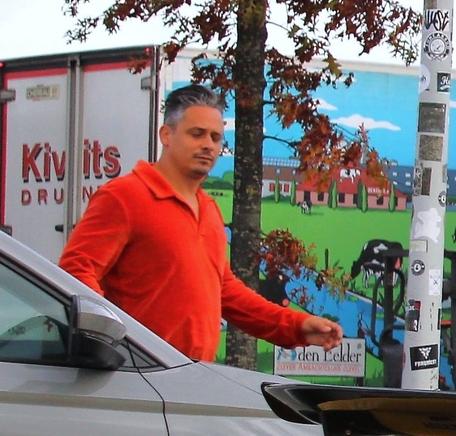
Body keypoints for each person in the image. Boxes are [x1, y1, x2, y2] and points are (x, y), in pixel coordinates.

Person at [61, 83, 342, 363]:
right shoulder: (124, 197)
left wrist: (295, 325)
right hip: (138, 380)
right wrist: (113, 344)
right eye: (197, 134)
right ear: (166, 135)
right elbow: (76, 272)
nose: (208, 144)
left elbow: (226, 292)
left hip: (192, 379)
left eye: (216, 137)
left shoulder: (208, 209)